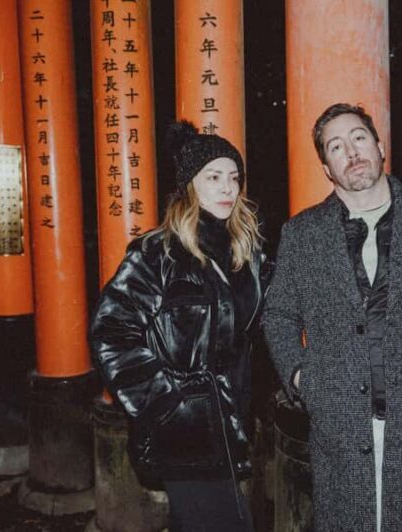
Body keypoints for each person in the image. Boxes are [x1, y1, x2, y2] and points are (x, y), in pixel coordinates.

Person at [262, 103, 402, 531]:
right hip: (339, 426)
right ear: (327, 168)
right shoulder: (301, 234)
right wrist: (300, 378)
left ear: (380, 145)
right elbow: (278, 315)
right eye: (335, 146)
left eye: (359, 137)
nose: (351, 151)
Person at [90, 122, 269, 532]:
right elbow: (111, 334)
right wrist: (165, 403)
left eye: (233, 178)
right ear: (190, 184)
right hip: (184, 429)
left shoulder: (248, 253)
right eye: (213, 177)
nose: (227, 188)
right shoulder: (158, 253)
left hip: (233, 421)